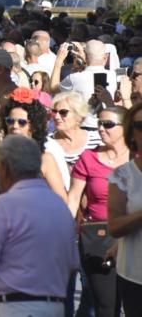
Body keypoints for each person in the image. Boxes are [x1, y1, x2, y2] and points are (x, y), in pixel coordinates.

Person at [0, 135, 78, 317]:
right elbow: (72, 265)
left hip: (12, 307)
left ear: (6, 169)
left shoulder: (2, 206)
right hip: (52, 307)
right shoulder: (61, 207)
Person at [67, 106, 129, 317]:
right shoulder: (88, 158)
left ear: (125, 127)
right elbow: (74, 198)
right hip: (98, 238)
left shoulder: (136, 159)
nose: (101, 129)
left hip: (133, 237)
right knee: (106, 305)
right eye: (99, 124)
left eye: (108, 124)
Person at [0, 92, 68, 197]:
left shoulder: (45, 160)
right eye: (10, 121)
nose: (14, 126)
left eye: (22, 122)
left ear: (33, 127)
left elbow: (62, 202)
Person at [108, 101, 142, 308]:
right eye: (141, 126)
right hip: (135, 277)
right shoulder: (122, 176)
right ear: (131, 134)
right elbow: (114, 226)